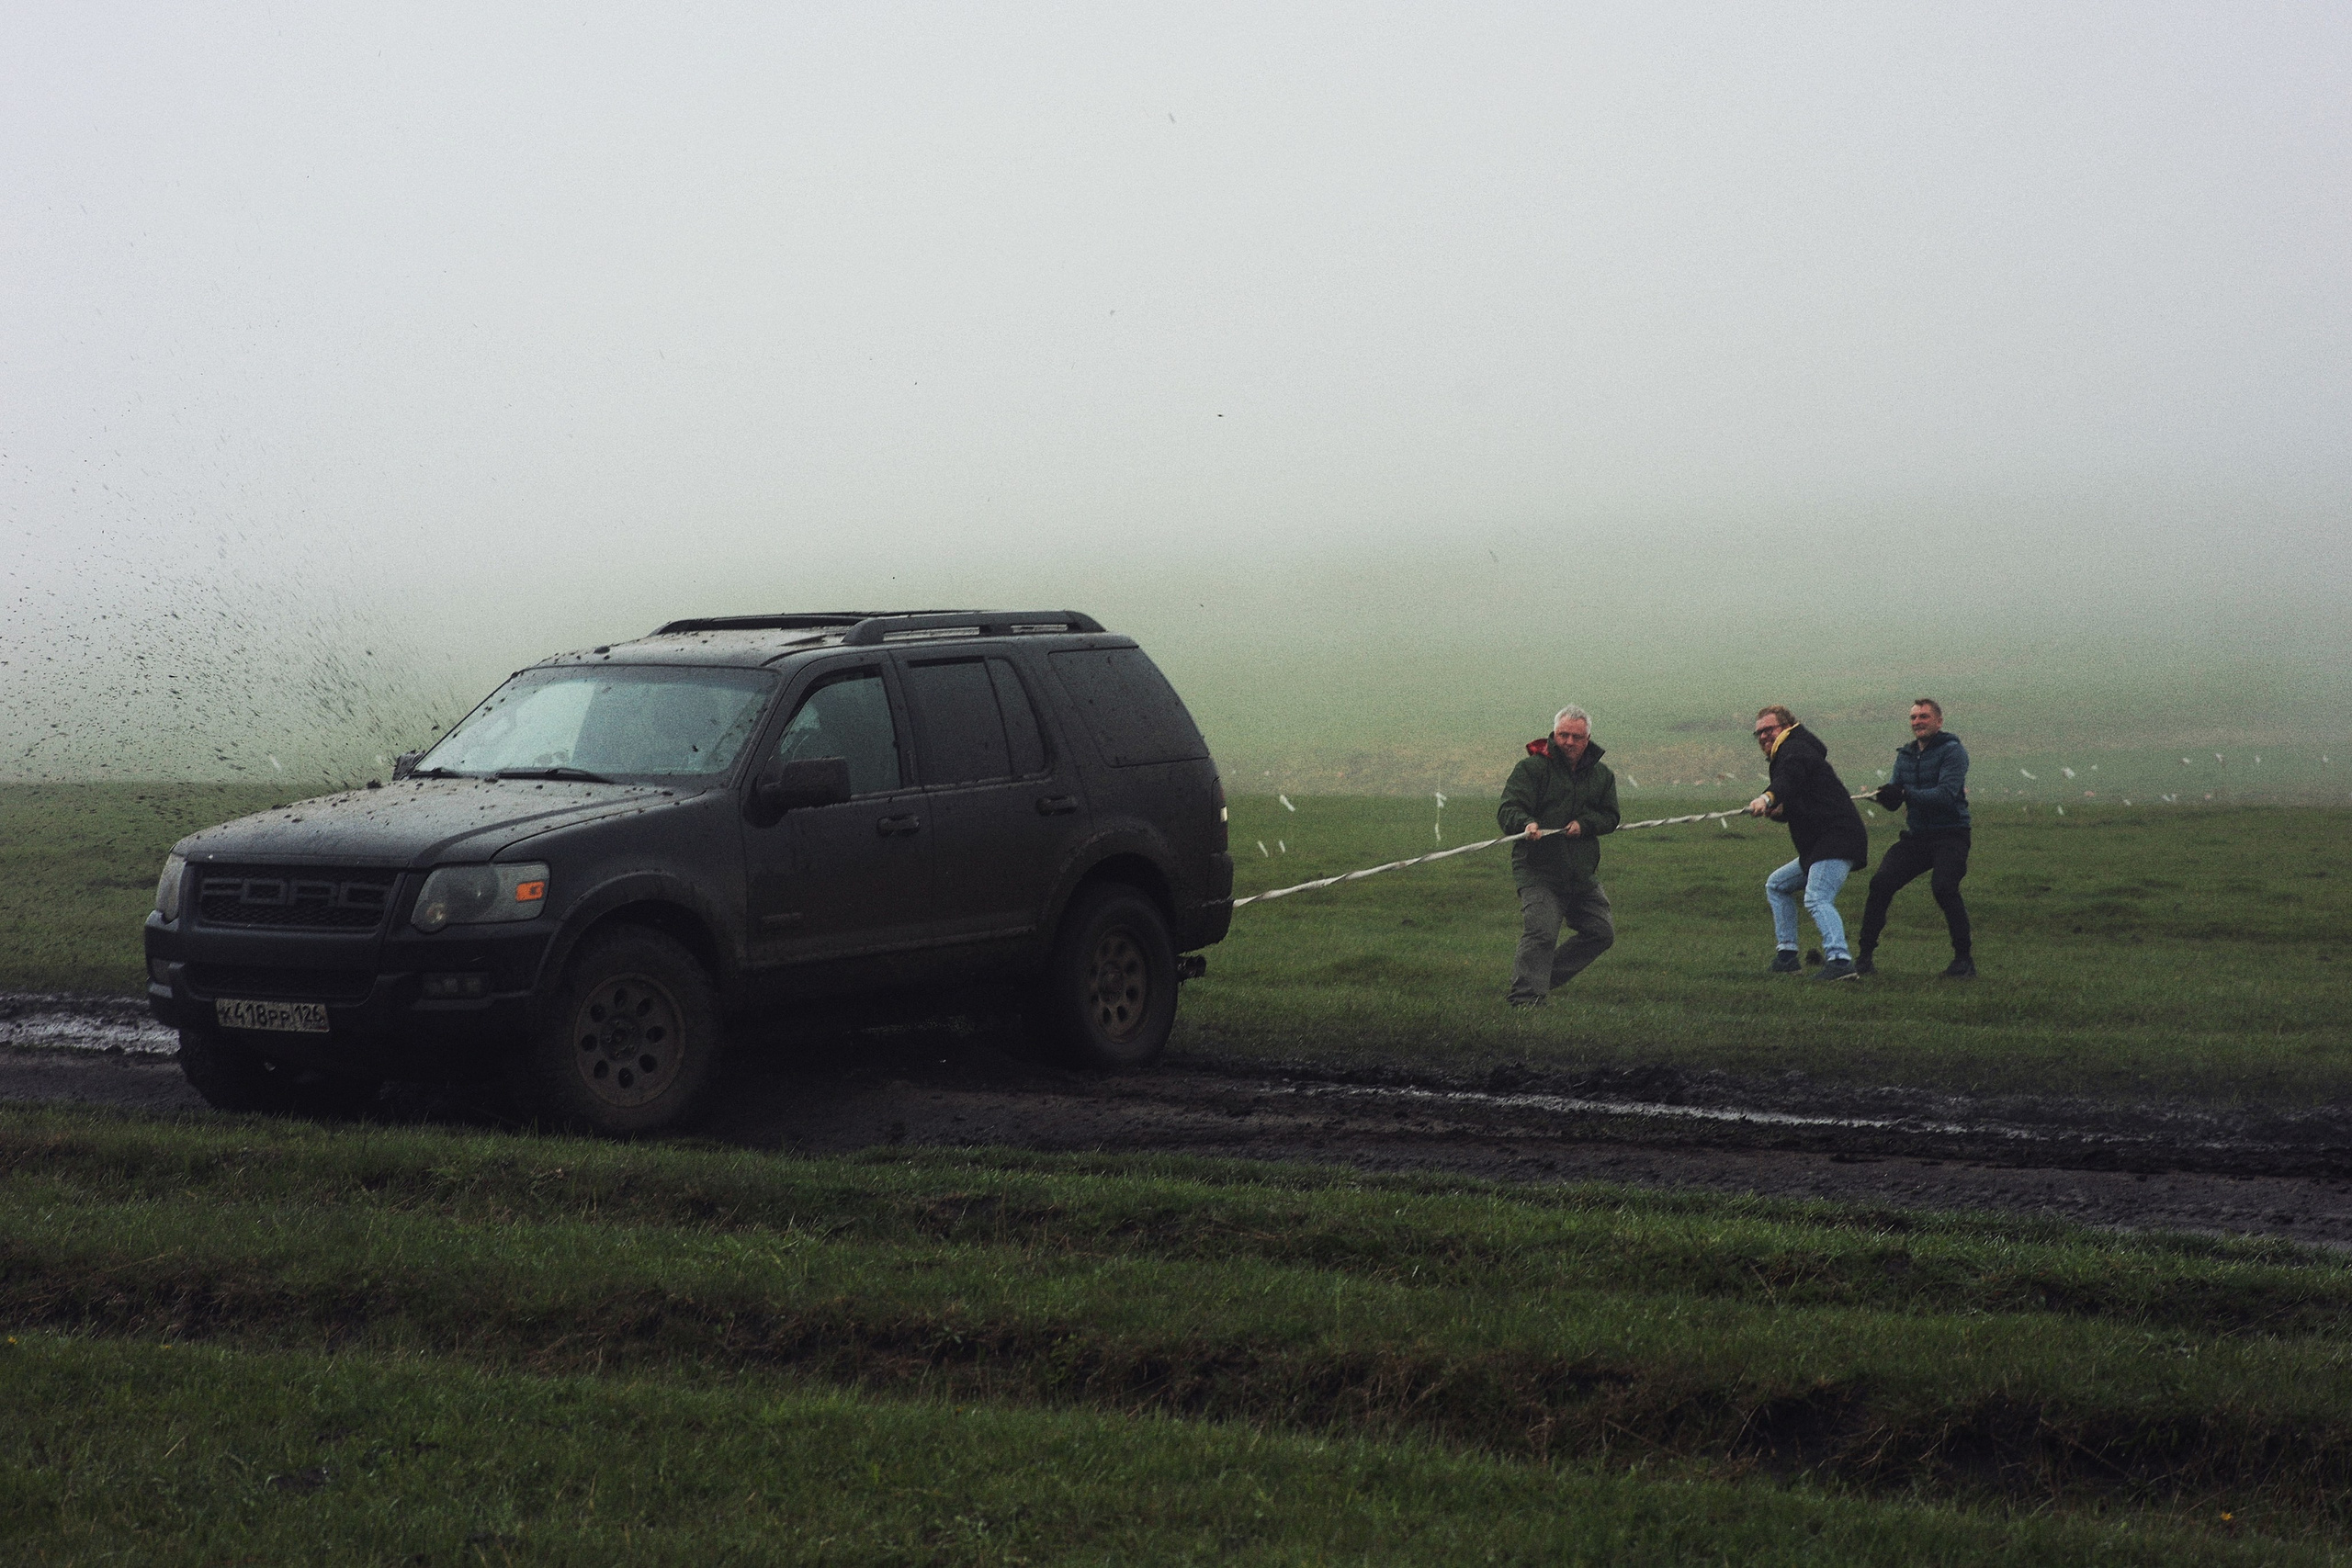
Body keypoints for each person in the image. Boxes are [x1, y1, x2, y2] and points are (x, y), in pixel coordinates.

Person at [1496, 705, 1621, 1007]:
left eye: (1576, 737)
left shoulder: (1602, 776)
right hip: (1538, 868)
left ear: (1587, 739)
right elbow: (1508, 808)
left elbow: (1611, 816)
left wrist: (1585, 825)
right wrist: (1526, 824)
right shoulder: (1532, 769)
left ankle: (1539, 977)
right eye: (1563, 735)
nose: (1568, 742)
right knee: (1541, 932)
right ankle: (1525, 1001)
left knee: (1601, 932)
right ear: (1554, 734)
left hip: (1580, 872)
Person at [1746, 705, 1869, 981]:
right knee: (1777, 885)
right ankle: (1787, 957)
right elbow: (1800, 800)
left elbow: (1788, 779)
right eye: (1759, 733)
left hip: (1836, 839)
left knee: (1817, 897)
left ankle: (1840, 961)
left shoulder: (1795, 750)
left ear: (1788, 726)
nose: (1764, 736)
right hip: (1818, 846)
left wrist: (1767, 798)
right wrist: (1779, 811)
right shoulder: (1790, 752)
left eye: (1770, 730)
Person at [1858, 697, 1974, 977]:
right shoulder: (1906, 755)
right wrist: (1883, 797)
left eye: (1923, 717)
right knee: (1880, 884)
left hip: (1951, 834)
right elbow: (1896, 800)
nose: (1917, 722)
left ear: (1939, 721)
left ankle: (1963, 961)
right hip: (1917, 837)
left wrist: (1905, 794)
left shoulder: (1953, 752)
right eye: (1913, 718)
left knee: (1944, 888)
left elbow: (1946, 795)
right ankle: (1863, 958)